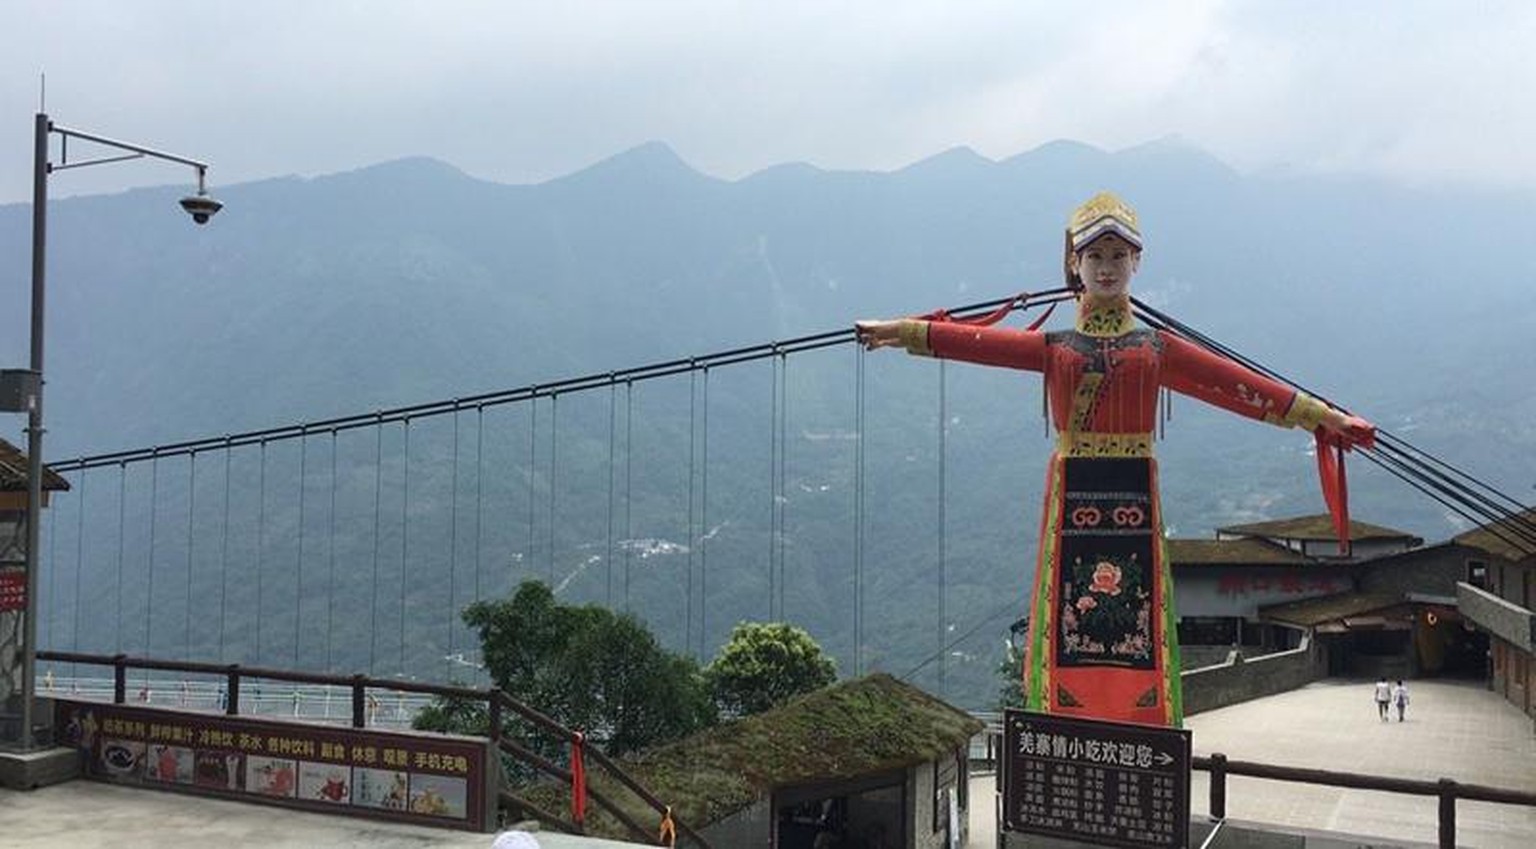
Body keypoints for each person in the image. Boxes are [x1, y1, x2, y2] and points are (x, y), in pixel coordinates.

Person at [856, 192, 1374, 727]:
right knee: (1075, 612)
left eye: (1117, 256)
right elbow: (979, 343)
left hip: (1134, 491)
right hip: (1074, 487)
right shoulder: (1056, 345)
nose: (1107, 268)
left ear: (1137, 263)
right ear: (1075, 265)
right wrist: (901, 332)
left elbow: (1235, 382)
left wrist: (1326, 417)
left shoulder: (1155, 348)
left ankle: (1137, 717)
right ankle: (1069, 712)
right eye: (1095, 256)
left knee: (1133, 610)